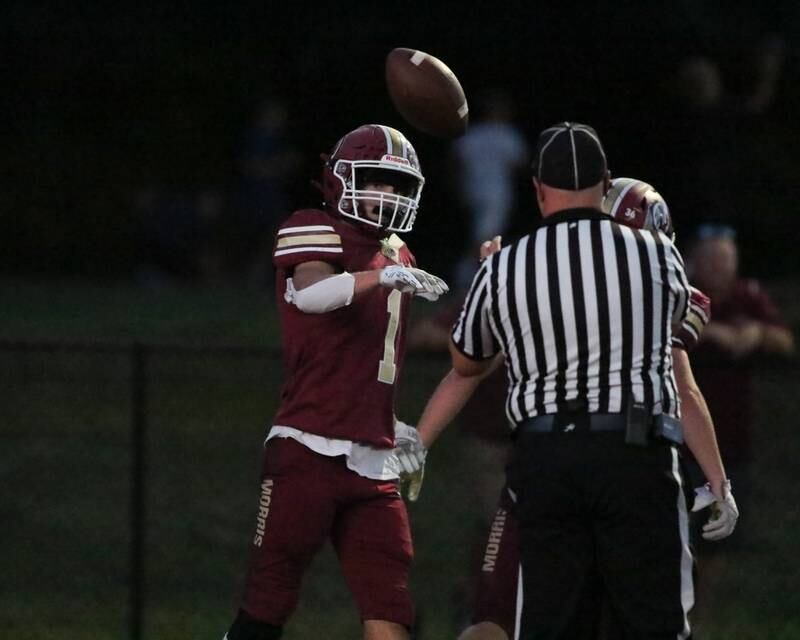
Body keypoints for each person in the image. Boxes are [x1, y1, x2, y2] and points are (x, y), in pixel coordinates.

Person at [435, 122, 735, 639]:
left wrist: (495, 283)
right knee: (654, 624)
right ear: (605, 183)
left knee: (550, 624)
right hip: (634, 453)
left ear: (536, 187)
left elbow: (465, 361)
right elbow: (680, 360)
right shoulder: (658, 256)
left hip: (545, 459)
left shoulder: (506, 265)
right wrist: (718, 480)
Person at [222, 123, 449, 640]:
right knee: (268, 604)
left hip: (373, 463)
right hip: (307, 447)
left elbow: (367, 361)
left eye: (395, 185)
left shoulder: (400, 255)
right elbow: (311, 294)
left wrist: (395, 425)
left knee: (392, 611)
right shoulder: (312, 225)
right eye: (374, 180)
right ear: (340, 179)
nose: (385, 195)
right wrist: (380, 277)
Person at [684, 223, 794, 539]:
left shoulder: (748, 296)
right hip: (685, 442)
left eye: (726, 258)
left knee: (722, 539)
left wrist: (758, 333)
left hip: (734, 442)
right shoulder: (684, 295)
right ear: (694, 261)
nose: (721, 267)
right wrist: (710, 333)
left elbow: (785, 342)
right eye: (713, 259)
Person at [448, 88, 529, 291]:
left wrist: (459, 188)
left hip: (472, 191)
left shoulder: (472, 134)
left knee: (483, 234)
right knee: (485, 236)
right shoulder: (507, 135)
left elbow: (455, 162)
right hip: (496, 193)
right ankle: (465, 278)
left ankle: (476, 277)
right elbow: (520, 165)